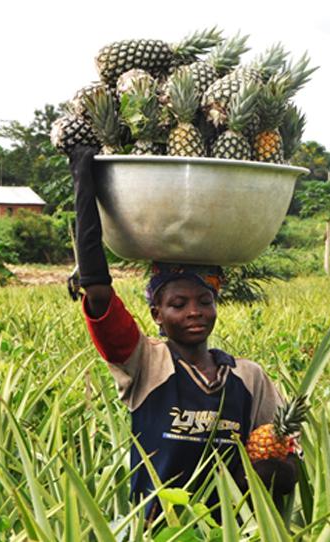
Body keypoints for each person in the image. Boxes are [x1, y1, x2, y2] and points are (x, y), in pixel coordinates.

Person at [69, 145, 297, 519]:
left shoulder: (248, 377)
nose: (195, 312)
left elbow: (288, 466)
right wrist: (84, 183)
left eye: (204, 301)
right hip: (159, 529)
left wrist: (271, 468)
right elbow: (97, 292)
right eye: (178, 304)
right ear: (157, 313)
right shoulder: (146, 363)